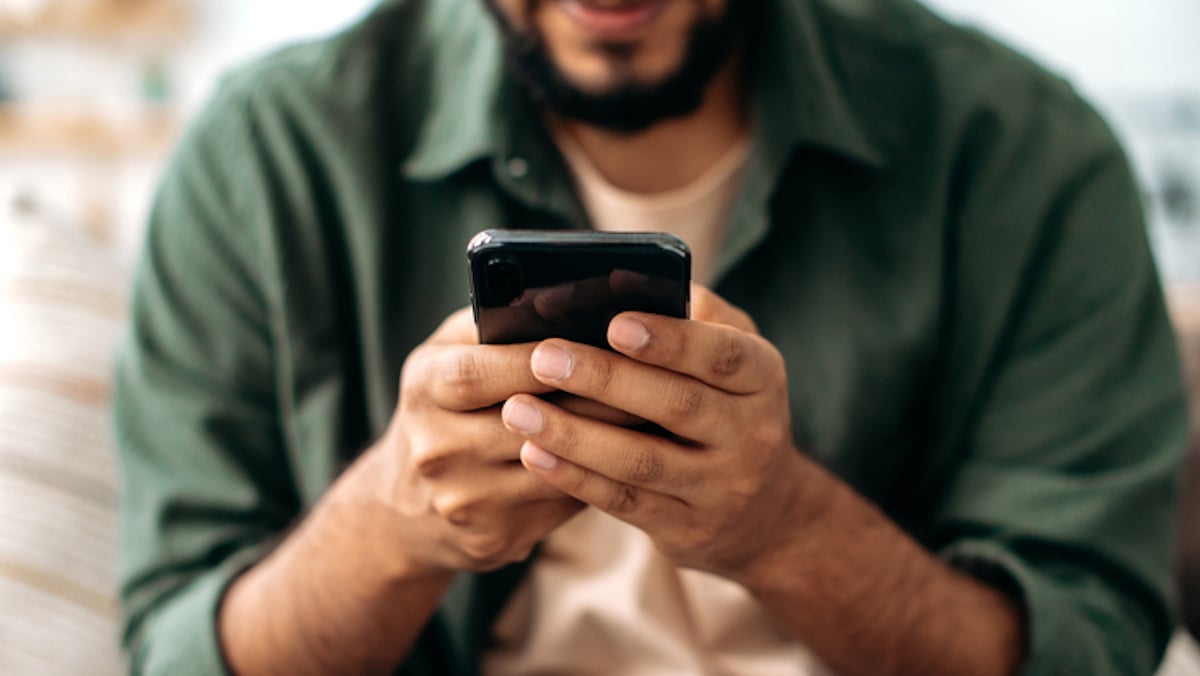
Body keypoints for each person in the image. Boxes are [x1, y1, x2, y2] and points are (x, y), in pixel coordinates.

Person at [113, 0, 1188, 673]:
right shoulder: (267, 158)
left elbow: (1091, 643)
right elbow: (175, 653)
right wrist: (396, 521)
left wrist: (788, 527)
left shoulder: (1025, 153)